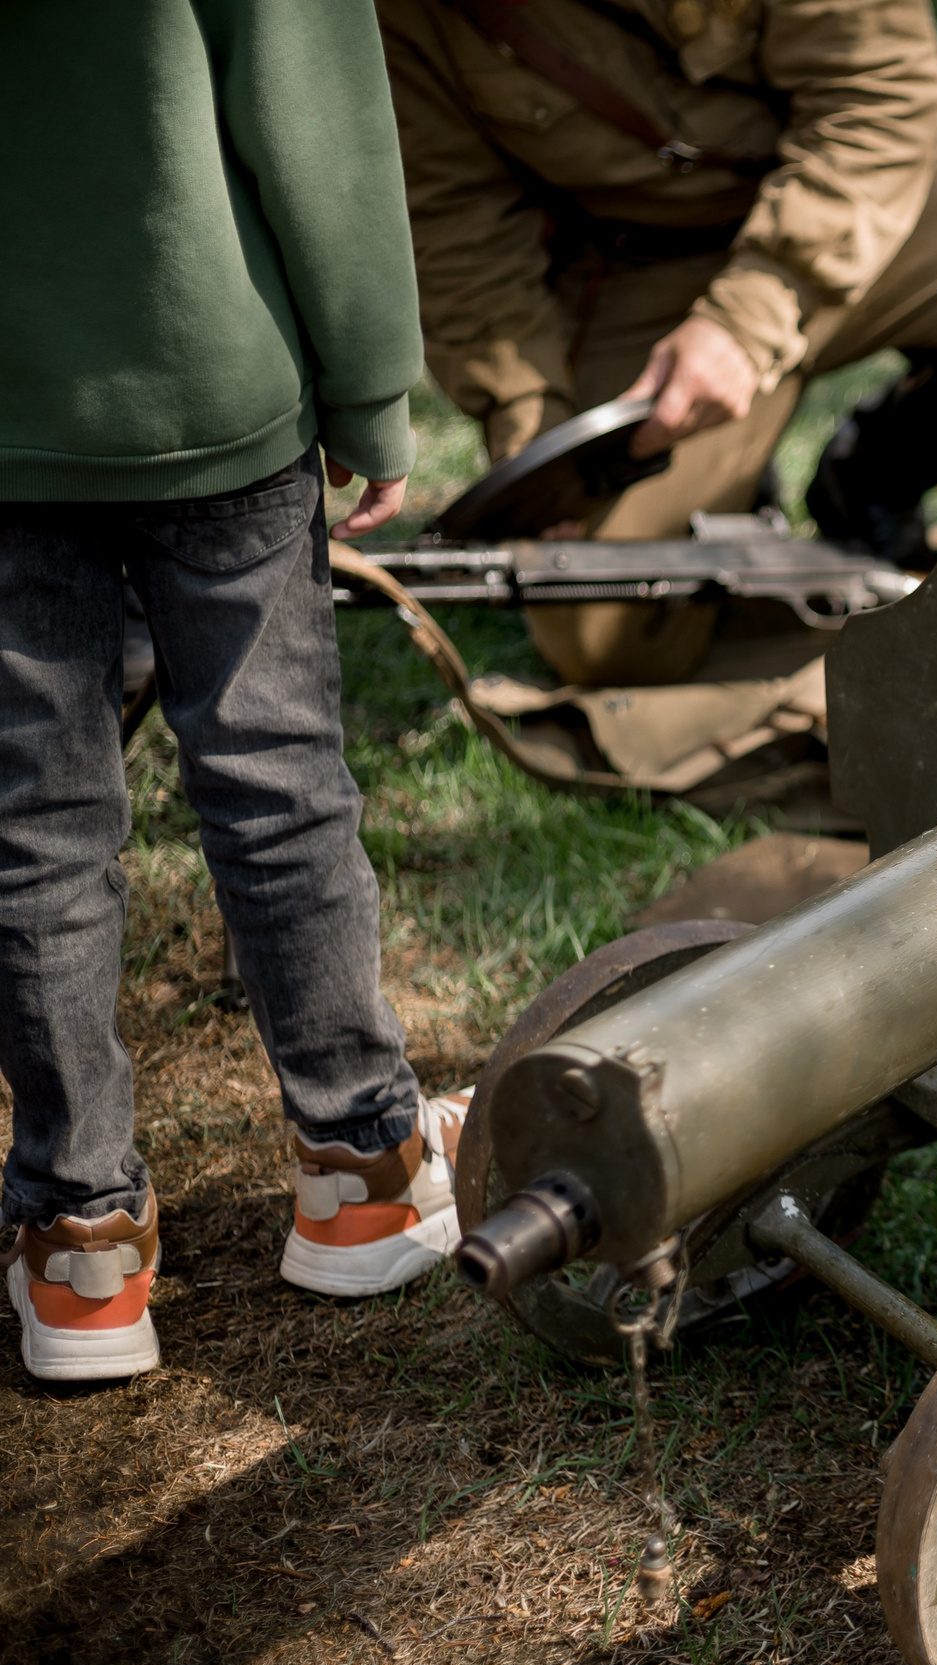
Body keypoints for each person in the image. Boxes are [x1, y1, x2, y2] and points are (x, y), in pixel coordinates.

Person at [1, 0, 474, 1381]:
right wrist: (371, 386)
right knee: (277, 785)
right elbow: (312, 102)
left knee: (31, 822)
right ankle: (364, 1173)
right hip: (214, 375)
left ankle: (79, 1248)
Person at [375, 0, 937, 684]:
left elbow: (877, 91)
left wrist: (745, 321)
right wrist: (535, 439)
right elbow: (458, 228)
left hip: (873, 180)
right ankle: (742, 514)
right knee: (600, 624)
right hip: (648, 257)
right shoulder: (399, 18)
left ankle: (871, 479)